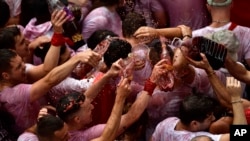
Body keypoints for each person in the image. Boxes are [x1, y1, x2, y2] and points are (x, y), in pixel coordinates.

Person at [0, 47, 100, 135]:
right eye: (18, 67)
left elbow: (46, 70)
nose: (24, 66)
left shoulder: (8, 88)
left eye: (22, 62)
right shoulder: (13, 95)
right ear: (6, 76)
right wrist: (77, 58)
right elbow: (50, 81)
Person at [151, 76, 247, 141]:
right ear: (194, 123)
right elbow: (241, 135)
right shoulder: (199, 138)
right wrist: (236, 98)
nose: (213, 118)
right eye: (209, 117)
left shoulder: (166, 123)